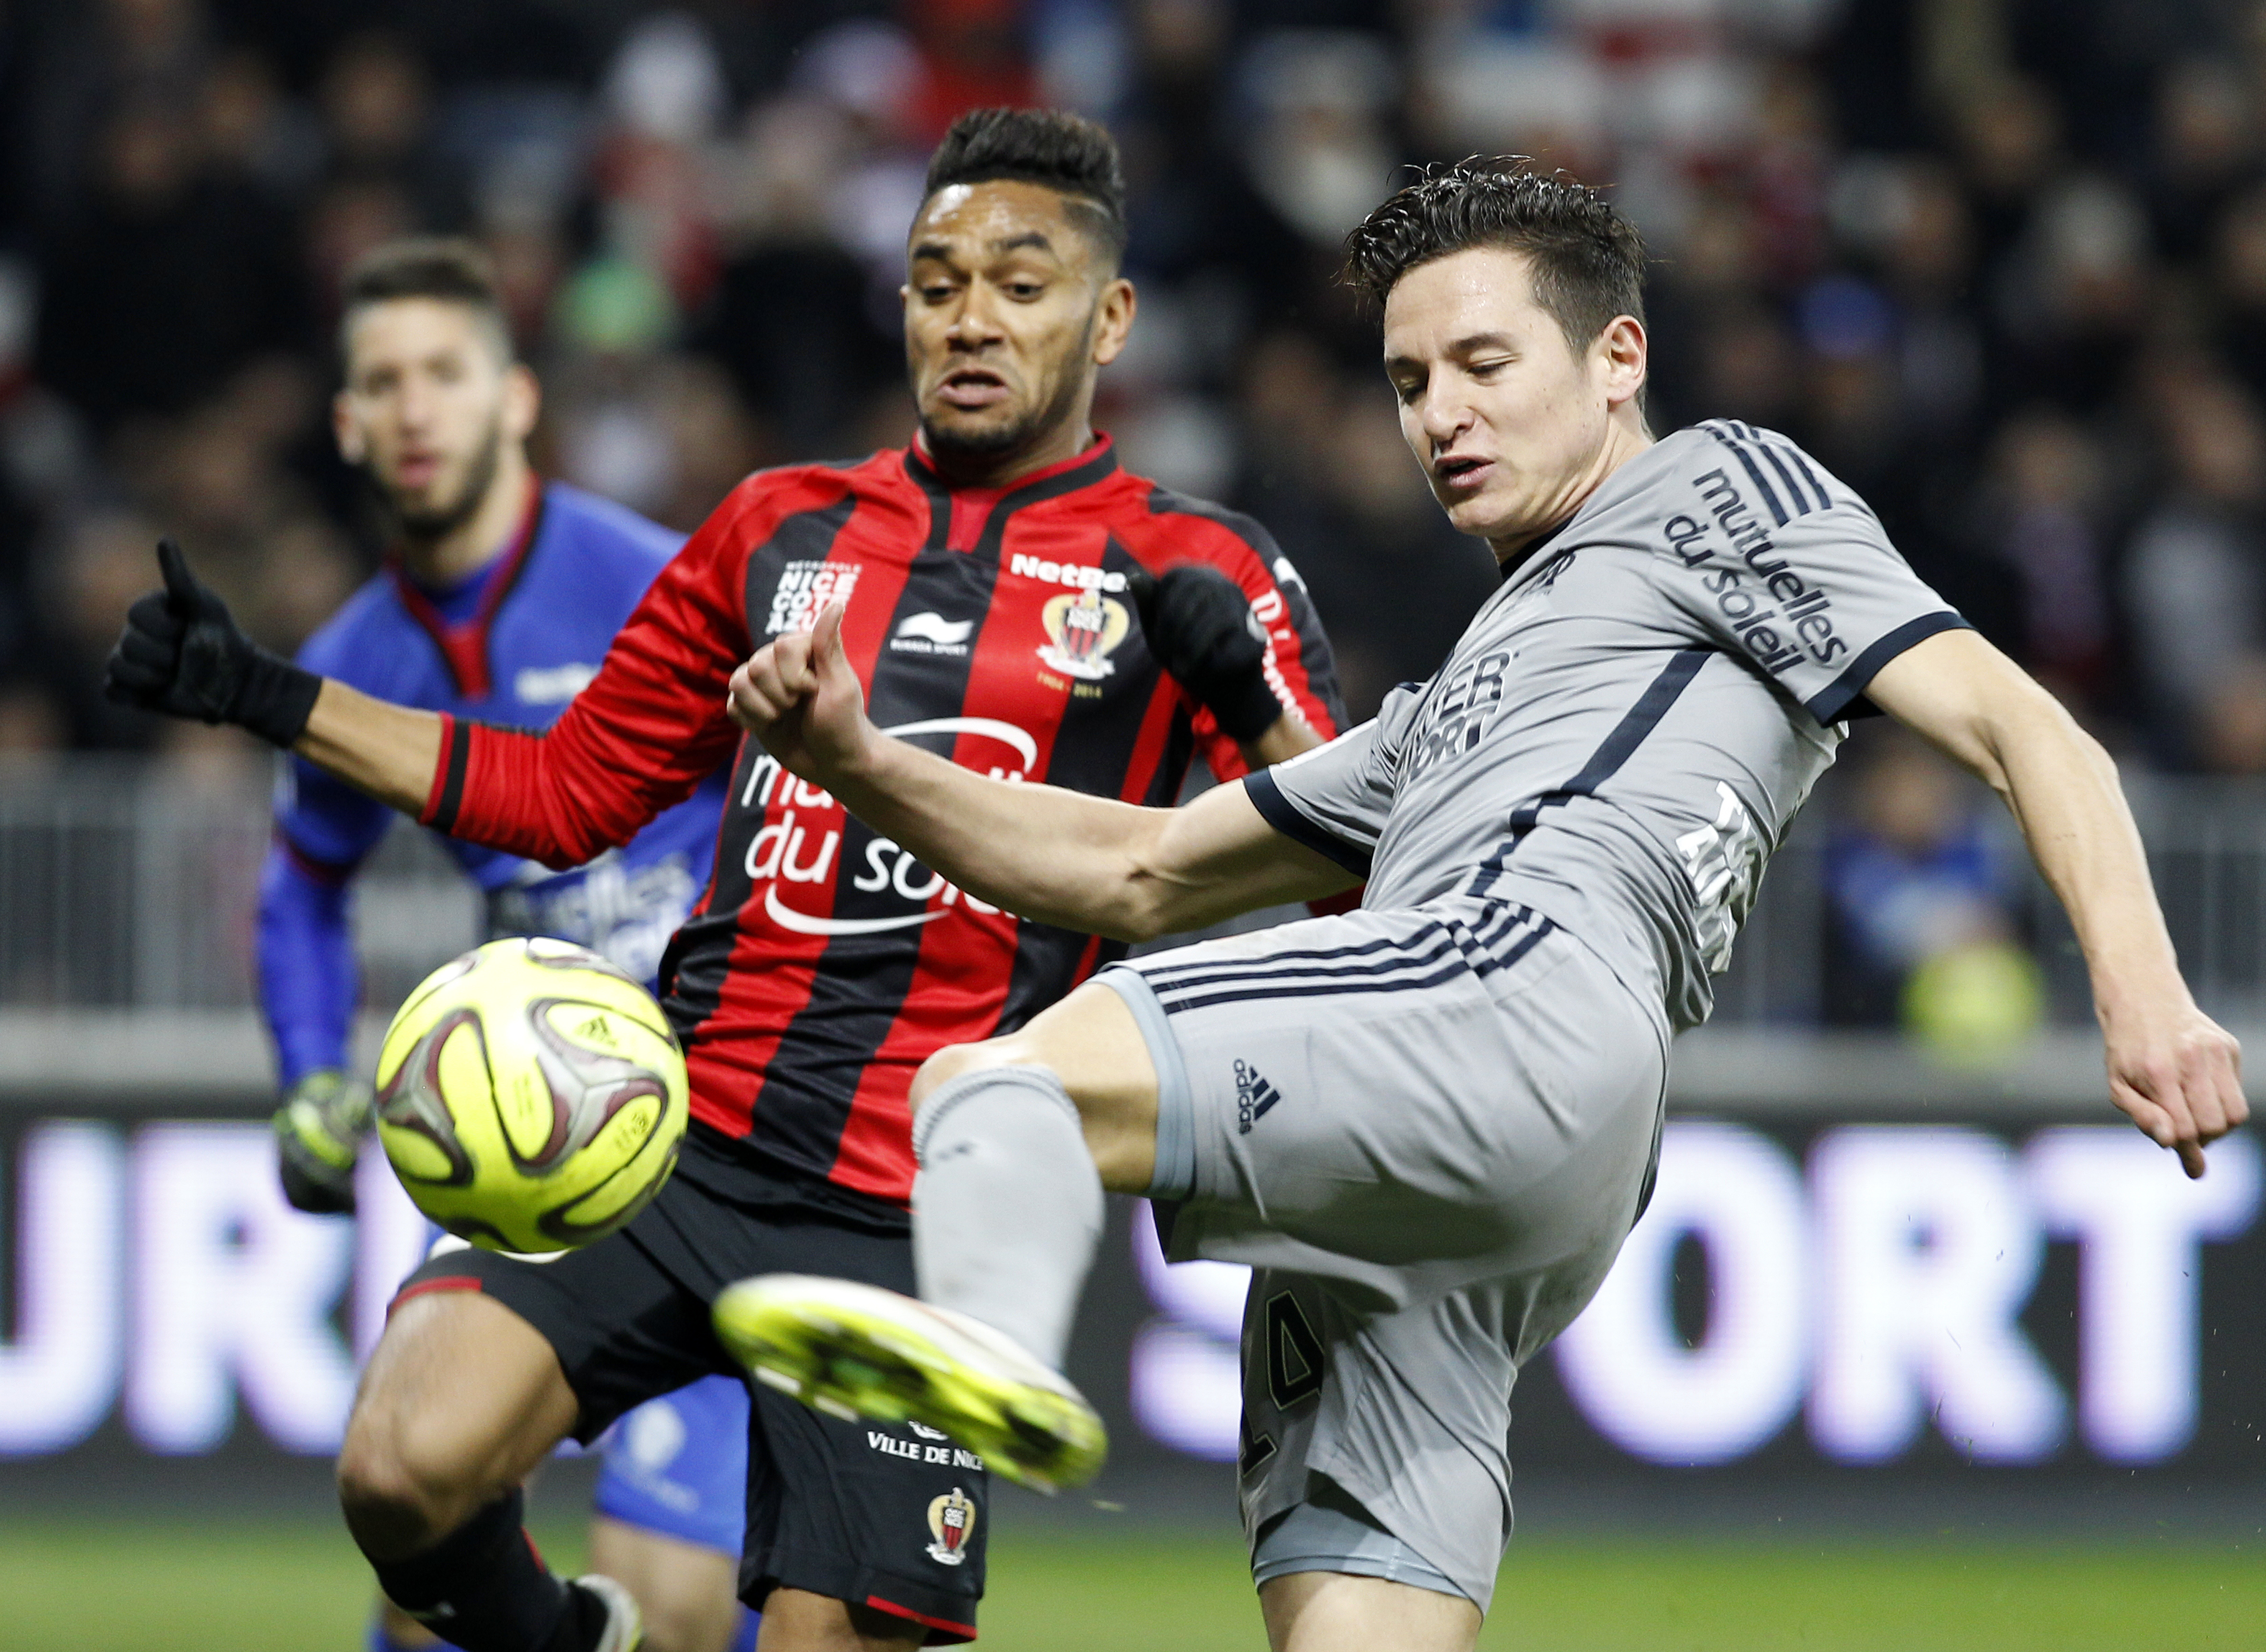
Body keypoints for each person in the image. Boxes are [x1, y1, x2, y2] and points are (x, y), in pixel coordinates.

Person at [706, 163, 2248, 1652]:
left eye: (1482, 363)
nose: (1439, 413)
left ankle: (980, 1350)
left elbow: (2016, 722)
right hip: (1508, 1189)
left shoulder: (1715, 482)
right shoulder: (1455, 702)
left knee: (999, 1089)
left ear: (1616, 356)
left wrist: (2142, 988)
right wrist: (856, 760)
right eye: (1405, 380)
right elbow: (1143, 869)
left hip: (1507, 988)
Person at [103, 109, 1344, 1652]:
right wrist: (270, 695)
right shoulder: (776, 527)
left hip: (918, 1209)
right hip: (676, 1138)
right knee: (400, 1466)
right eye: (935, 278)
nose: (968, 316)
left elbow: (1338, 878)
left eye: (1019, 286)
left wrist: (1275, 728)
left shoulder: (1197, 570)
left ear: (1110, 317)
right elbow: (561, 795)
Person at [263, 236, 754, 1652]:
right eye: (384, 384)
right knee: (427, 1561)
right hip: (508, 1129)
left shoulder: (650, 581)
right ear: (348, 423)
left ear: (516, 398)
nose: (417, 409)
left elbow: (795, 789)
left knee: (663, 1614)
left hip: (704, 1134)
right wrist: (308, 1068)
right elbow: (302, 883)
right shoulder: (359, 654)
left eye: (445, 374)